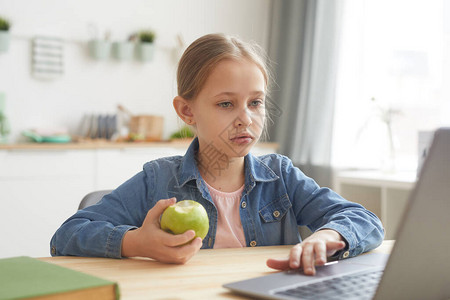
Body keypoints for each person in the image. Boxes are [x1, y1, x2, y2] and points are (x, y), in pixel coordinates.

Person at [50, 33, 384, 275]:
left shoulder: (281, 176)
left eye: (255, 102)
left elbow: (365, 221)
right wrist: (136, 243)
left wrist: (329, 235)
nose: (246, 118)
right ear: (187, 111)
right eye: (226, 104)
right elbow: (67, 235)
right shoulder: (158, 181)